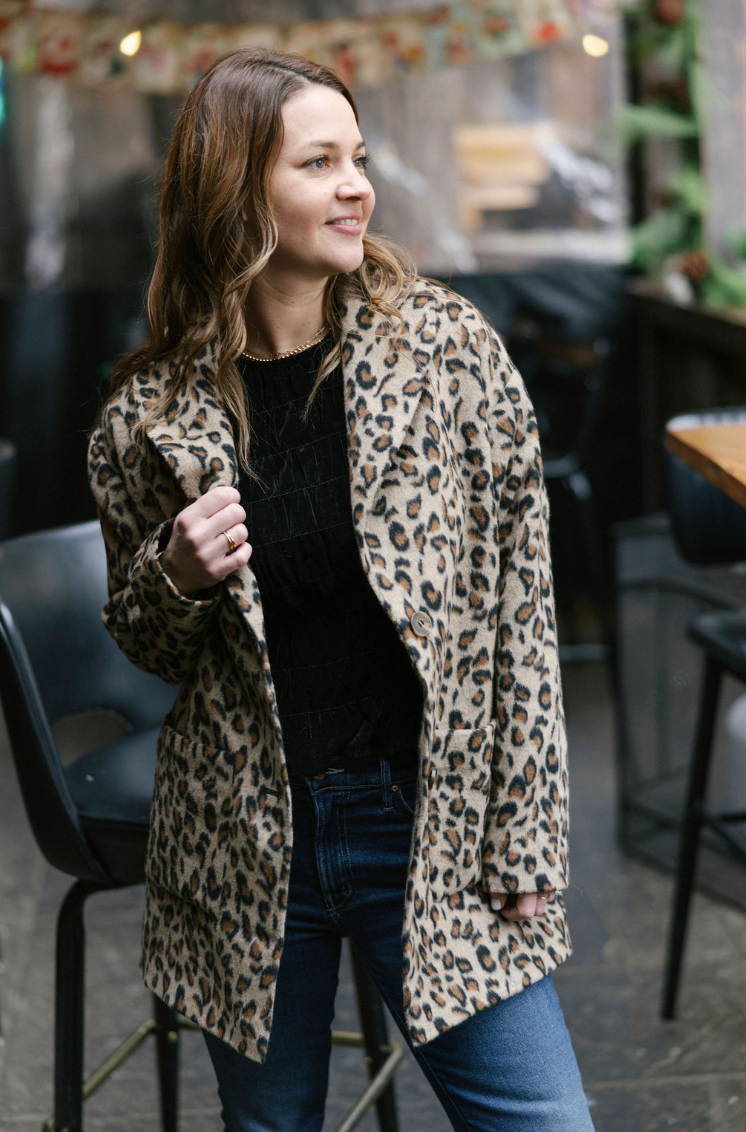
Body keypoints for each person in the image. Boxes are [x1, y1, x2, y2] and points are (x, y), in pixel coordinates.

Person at [88, 47, 595, 1132]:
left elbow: (519, 609)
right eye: (318, 163)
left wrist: (526, 833)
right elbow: (147, 645)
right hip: (245, 835)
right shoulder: (148, 415)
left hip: (428, 818)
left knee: (543, 1121)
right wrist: (174, 575)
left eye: (356, 157)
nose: (356, 185)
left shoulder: (445, 354)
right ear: (235, 190)